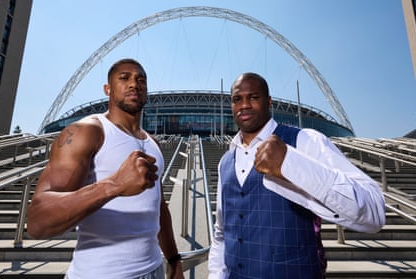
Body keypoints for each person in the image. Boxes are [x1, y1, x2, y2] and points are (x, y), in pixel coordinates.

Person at [208, 72, 386, 279]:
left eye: (253, 97)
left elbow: (374, 211)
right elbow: (221, 232)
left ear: (269, 101)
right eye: (237, 99)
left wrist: (291, 164)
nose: (244, 105)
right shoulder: (225, 162)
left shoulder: (304, 141)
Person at [27, 58, 184, 279]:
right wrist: (114, 185)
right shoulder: (86, 132)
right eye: (124, 78)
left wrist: (174, 260)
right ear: (107, 89)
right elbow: (37, 222)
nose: (134, 84)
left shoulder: (152, 143)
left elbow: (159, 207)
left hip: (153, 269)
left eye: (141, 80)